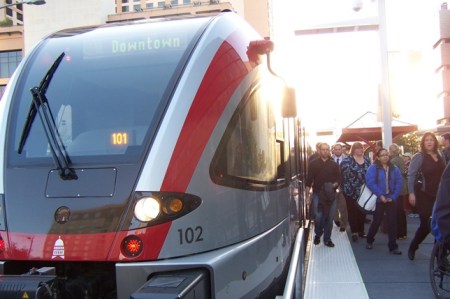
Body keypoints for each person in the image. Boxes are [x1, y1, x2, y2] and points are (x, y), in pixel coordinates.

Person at [407, 132, 446, 260]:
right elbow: (411, 175)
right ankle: (414, 245)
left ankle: (439, 255)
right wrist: (411, 193)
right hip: (424, 195)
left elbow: (445, 174)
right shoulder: (419, 156)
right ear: (423, 143)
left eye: (431, 140)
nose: (429, 142)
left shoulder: (440, 154)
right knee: (426, 224)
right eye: (426, 140)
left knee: (441, 224)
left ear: (435, 142)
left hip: (440, 195)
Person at [365, 148, 403, 254]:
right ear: (378, 157)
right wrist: (380, 195)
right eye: (382, 155)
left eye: (387, 154)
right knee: (377, 221)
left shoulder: (394, 168)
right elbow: (370, 182)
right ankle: (369, 240)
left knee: (392, 222)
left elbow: (399, 182)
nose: (385, 157)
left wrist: (394, 196)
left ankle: (393, 246)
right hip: (378, 199)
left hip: (391, 198)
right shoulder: (373, 168)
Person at [306, 143, 341, 248]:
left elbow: (339, 179)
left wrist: (332, 186)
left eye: (327, 149)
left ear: (329, 150)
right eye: (323, 149)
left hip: (331, 195)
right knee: (318, 216)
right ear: (319, 150)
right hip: (317, 193)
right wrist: (308, 196)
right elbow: (309, 180)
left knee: (329, 218)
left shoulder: (334, 165)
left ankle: (327, 239)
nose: (325, 151)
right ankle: (318, 234)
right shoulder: (313, 164)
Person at [340, 142, 371, 242]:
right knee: (352, 211)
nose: (360, 150)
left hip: (365, 190)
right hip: (350, 190)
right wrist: (343, 188)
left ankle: (361, 230)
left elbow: (371, 173)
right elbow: (341, 175)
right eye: (358, 148)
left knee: (362, 211)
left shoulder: (367, 160)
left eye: (361, 148)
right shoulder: (346, 161)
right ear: (353, 150)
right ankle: (354, 232)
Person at [389, 143, 408, 239]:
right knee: (401, 211)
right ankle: (403, 232)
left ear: (391, 151)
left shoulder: (393, 161)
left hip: (397, 187)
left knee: (397, 211)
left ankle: (399, 233)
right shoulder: (400, 158)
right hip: (403, 186)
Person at [332, 143, 348, 232]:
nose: (338, 151)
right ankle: (336, 219)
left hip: (344, 186)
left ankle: (343, 224)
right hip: (333, 185)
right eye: (336, 149)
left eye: (339, 149)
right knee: (334, 205)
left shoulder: (347, 159)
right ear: (333, 150)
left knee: (343, 205)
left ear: (342, 150)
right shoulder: (329, 159)